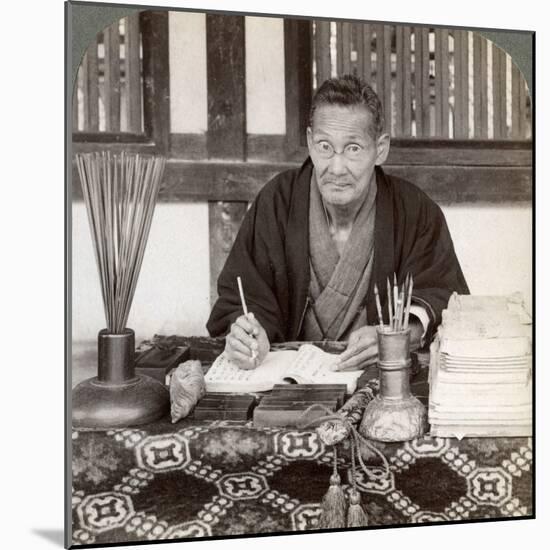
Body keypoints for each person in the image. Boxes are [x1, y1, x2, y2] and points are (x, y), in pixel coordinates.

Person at [207, 74, 469, 371]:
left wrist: (399, 336)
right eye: (325, 147)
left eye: (353, 148)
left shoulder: (413, 210)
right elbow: (242, 296)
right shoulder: (278, 202)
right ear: (309, 142)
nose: (337, 167)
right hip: (288, 385)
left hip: (379, 383)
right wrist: (248, 335)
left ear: (380, 149)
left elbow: (445, 297)